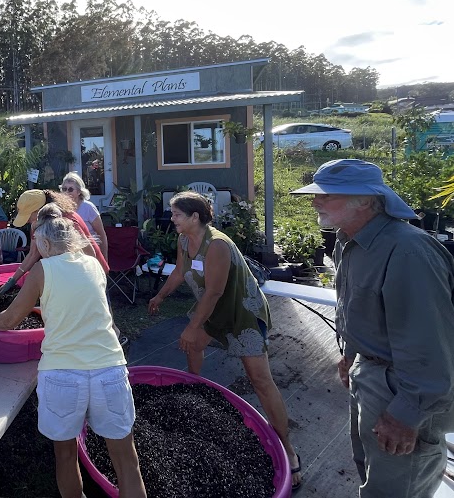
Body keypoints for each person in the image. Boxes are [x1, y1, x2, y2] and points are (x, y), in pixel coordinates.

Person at [291, 159, 454, 498]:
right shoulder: (348, 241)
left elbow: (429, 345)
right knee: (368, 466)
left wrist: (407, 415)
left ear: (365, 200)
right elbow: (356, 308)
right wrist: (351, 356)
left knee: (397, 487)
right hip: (369, 373)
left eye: (327, 195)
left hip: (403, 386)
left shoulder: (407, 250)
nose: (315, 201)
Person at [0, 204, 146, 498]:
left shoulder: (42, 270)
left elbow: (10, 320)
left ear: (45, 244)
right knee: (127, 460)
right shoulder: (93, 265)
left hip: (62, 375)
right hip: (109, 369)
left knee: (66, 456)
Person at [147, 191, 301, 490]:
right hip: (214, 309)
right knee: (193, 346)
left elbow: (214, 292)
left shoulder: (217, 244)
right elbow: (180, 271)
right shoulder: (183, 240)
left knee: (260, 380)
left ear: (195, 217)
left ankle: (289, 449)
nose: (172, 218)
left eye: (177, 214)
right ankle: (195, 395)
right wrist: (160, 295)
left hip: (240, 313)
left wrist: (193, 326)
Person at [0, 189, 108, 295]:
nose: (27, 221)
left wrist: (90, 279)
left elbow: (90, 253)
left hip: (92, 271)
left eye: (28, 216)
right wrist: (13, 279)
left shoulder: (66, 220)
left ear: (39, 210)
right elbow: (33, 254)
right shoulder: (37, 224)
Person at [61, 172, 109, 260]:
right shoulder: (61, 208)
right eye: (64, 189)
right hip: (69, 254)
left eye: (70, 189)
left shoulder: (88, 207)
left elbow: (101, 234)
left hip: (89, 253)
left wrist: (104, 258)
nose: (67, 192)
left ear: (79, 192)